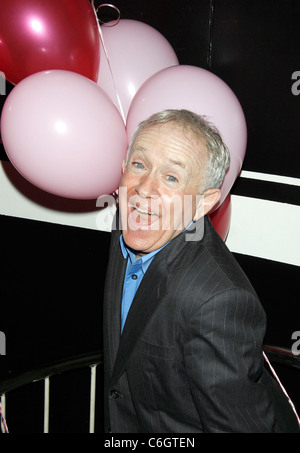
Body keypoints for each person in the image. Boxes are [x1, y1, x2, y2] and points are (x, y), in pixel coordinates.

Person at [103, 109, 299, 433]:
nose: (144, 189)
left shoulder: (218, 300)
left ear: (203, 203)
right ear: (123, 169)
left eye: (171, 177)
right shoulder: (131, 219)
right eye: (139, 165)